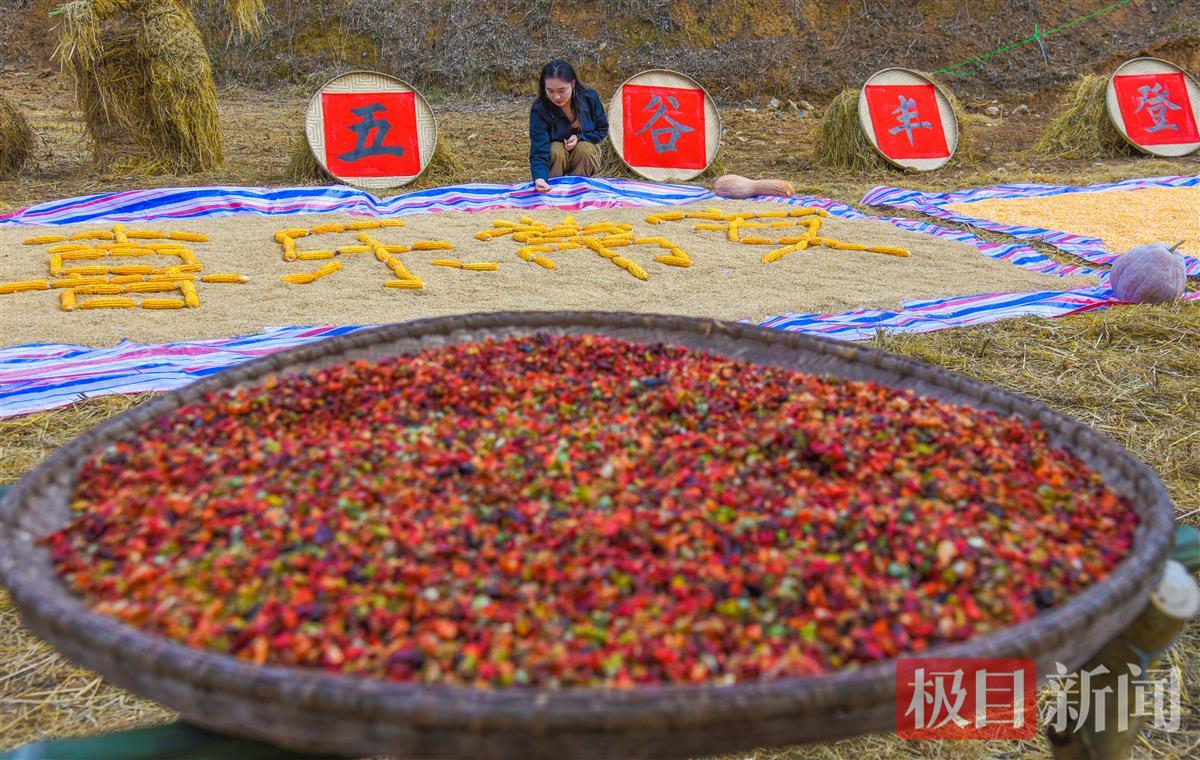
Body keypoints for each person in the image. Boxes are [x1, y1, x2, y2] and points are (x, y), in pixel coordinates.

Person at [529, 60, 608, 192]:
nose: (556, 97)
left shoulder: (590, 98)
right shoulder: (540, 108)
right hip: (556, 157)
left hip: (584, 153)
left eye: (562, 90)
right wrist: (539, 178)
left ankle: (579, 190)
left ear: (573, 84)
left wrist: (580, 137)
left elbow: (602, 129)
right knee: (556, 149)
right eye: (550, 91)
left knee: (585, 149)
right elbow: (539, 148)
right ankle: (553, 189)